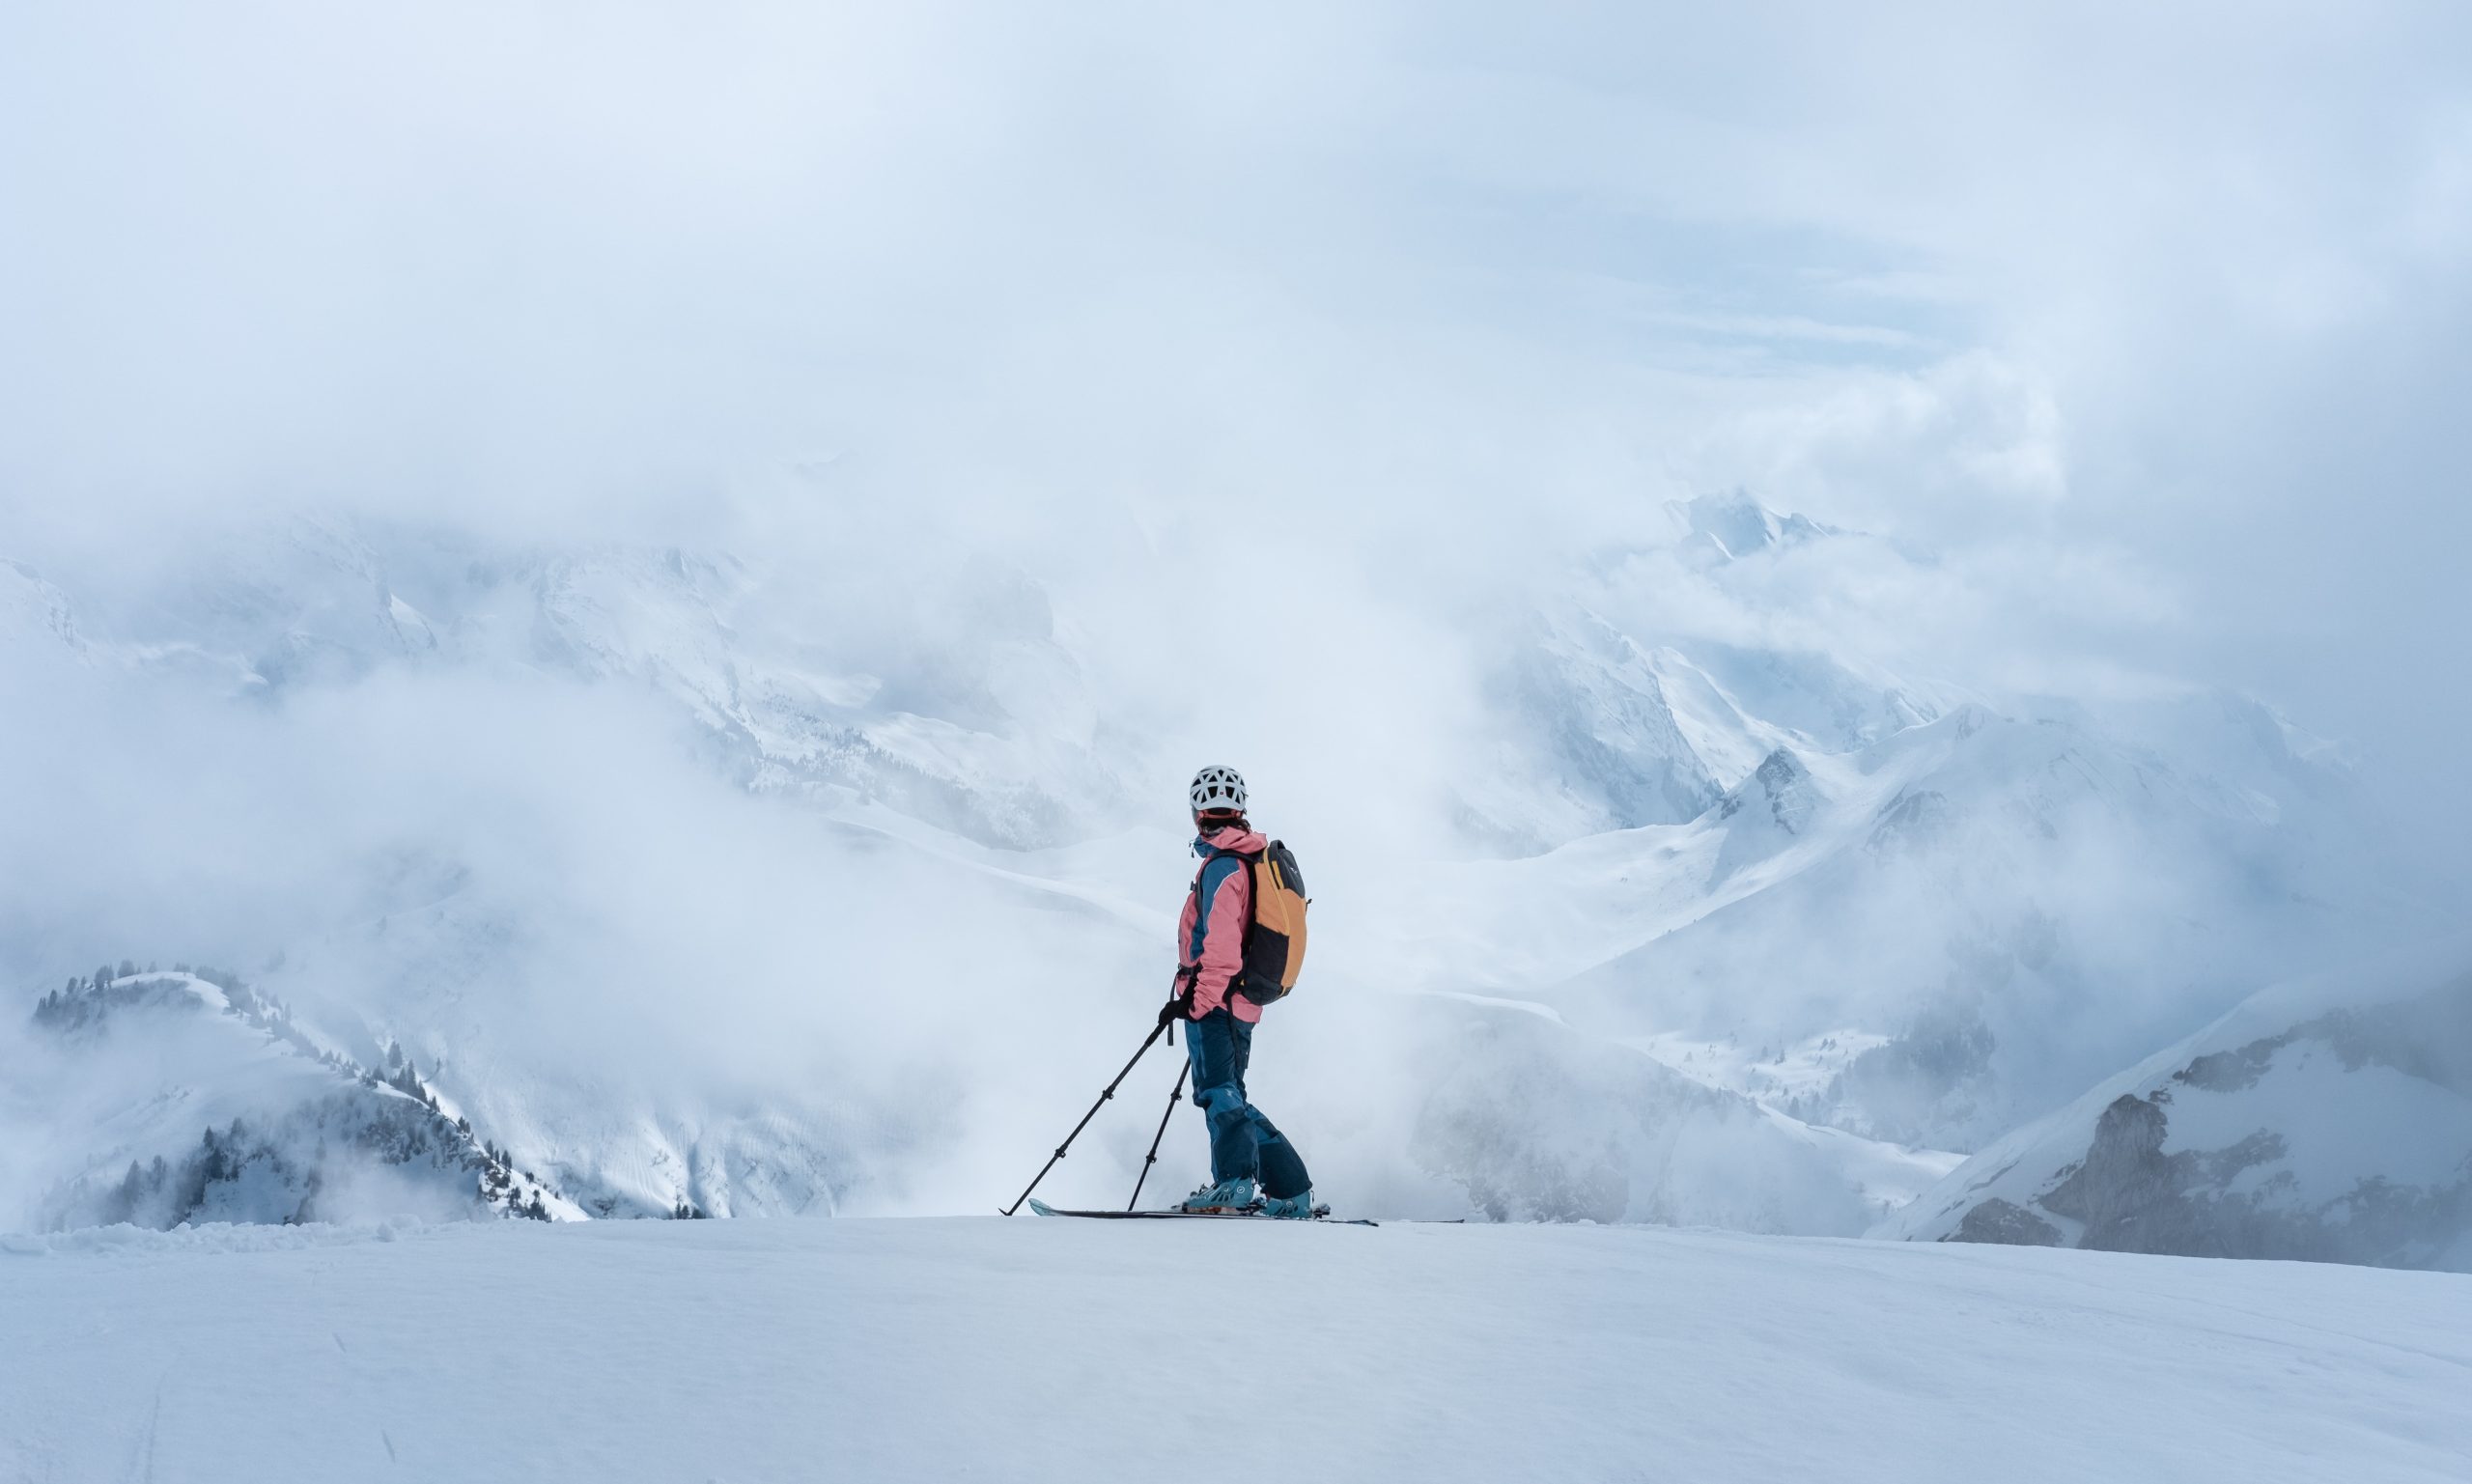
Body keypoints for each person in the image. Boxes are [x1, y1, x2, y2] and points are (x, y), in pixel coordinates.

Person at [1162, 765, 1316, 1218]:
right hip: (1241, 1001)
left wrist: (1196, 1002)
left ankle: (1233, 1184)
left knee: (1219, 1093)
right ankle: (1290, 1191)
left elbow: (1222, 950)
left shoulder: (1224, 866)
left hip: (1219, 1002)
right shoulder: (1248, 857)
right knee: (1229, 1093)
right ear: (1240, 809)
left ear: (1197, 814)